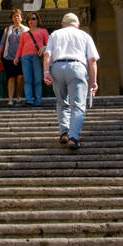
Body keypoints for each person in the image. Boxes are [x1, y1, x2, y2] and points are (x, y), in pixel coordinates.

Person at [43, 12, 99, 151]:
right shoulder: (85, 35)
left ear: (63, 24)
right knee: (78, 105)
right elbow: (92, 61)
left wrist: (46, 72)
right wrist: (93, 81)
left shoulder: (55, 34)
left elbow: (47, 54)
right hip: (77, 67)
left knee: (62, 102)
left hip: (57, 67)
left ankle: (64, 132)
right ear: (78, 25)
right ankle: (73, 137)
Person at [15, 10, 49, 107]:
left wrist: (44, 47)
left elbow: (49, 44)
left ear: (37, 20)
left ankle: (38, 101)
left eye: (33, 19)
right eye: (29, 19)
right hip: (25, 58)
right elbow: (20, 47)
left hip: (37, 57)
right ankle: (29, 100)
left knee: (38, 79)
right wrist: (17, 57)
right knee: (27, 80)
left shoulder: (43, 31)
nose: (31, 21)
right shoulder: (24, 34)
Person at [0, 8, 26, 106]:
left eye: (18, 16)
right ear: (12, 18)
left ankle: (18, 97)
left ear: (21, 18)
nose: (16, 18)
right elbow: (2, 43)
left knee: (20, 77)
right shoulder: (8, 29)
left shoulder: (26, 30)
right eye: (14, 16)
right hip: (9, 57)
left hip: (21, 58)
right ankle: (10, 99)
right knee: (11, 78)